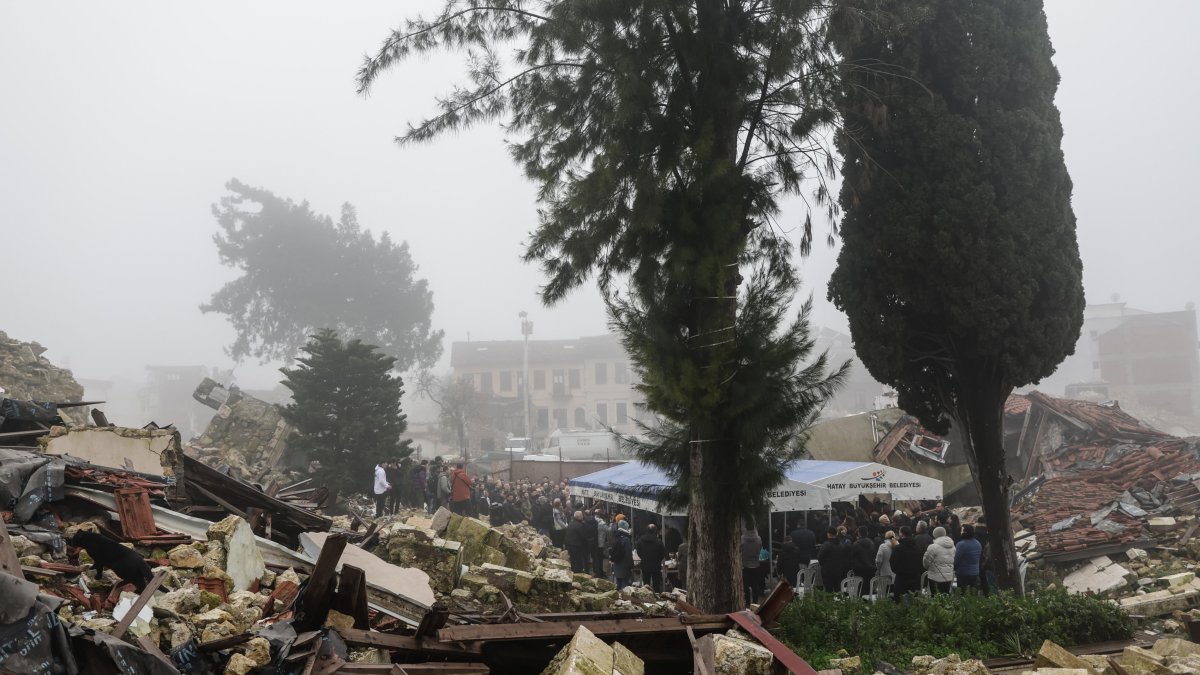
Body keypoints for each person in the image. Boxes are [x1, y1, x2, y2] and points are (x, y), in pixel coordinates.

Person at [891, 525, 923, 599]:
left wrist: (900, 571)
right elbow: (921, 563)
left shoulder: (898, 549)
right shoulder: (918, 548)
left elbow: (893, 564)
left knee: (900, 603)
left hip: (901, 580)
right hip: (915, 579)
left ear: (901, 534)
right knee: (914, 604)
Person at [817, 527, 851, 593]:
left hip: (827, 572)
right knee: (838, 592)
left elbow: (820, 557)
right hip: (839, 572)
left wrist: (824, 565)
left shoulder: (826, 545)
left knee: (828, 591)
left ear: (828, 534)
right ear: (836, 533)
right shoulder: (841, 545)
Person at [923, 526, 955, 594]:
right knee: (946, 597)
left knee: (935, 598)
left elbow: (926, 563)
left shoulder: (933, 547)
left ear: (934, 535)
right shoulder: (953, 546)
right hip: (948, 577)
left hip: (935, 577)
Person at [637, 524, 667, 593]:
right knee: (656, 584)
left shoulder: (640, 540)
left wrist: (644, 557)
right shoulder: (659, 541)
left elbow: (639, 552)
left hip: (645, 564)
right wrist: (658, 559)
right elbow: (663, 553)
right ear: (655, 531)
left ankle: (646, 598)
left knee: (646, 584)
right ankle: (656, 598)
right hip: (656, 565)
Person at [955, 524, 983, 592]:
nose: (960, 532)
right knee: (974, 594)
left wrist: (954, 569)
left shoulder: (961, 544)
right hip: (975, 572)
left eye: (962, 531)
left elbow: (956, 560)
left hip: (963, 573)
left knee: (963, 593)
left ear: (965, 532)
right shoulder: (978, 543)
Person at [740, 525, 763, 604]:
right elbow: (760, 548)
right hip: (756, 563)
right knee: (755, 584)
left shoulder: (742, 539)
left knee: (745, 585)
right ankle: (755, 601)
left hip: (745, 564)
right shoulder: (758, 539)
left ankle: (747, 602)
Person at [850, 526, 877, 590]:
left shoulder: (856, 544)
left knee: (860, 589)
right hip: (871, 570)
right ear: (867, 533)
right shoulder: (872, 543)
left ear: (859, 533)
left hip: (860, 570)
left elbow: (852, 557)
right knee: (869, 589)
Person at [611, 521, 635, 590]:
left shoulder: (616, 536)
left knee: (618, 583)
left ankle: (618, 597)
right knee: (624, 586)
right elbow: (628, 555)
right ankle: (623, 598)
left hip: (617, 564)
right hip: (624, 565)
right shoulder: (626, 540)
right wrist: (631, 565)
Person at [975, 517, 994, 594]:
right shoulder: (988, 534)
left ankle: (982, 589)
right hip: (985, 557)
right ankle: (987, 592)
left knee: (981, 575)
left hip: (976, 556)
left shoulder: (974, 532)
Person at [594, 510, 609, 578]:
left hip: (594, 542)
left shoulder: (595, 521)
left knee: (596, 558)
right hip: (601, 543)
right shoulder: (603, 524)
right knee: (600, 559)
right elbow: (608, 531)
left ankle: (597, 572)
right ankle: (600, 573)